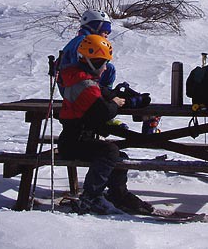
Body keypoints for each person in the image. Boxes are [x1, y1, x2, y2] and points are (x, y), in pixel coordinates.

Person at [58, 34, 154, 215]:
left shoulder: (82, 80)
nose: (104, 70)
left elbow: (106, 93)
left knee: (118, 155)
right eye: (103, 65)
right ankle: (91, 196)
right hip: (74, 143)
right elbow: (102, 112)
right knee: (110, 152)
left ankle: (118, 194)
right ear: (93, 63)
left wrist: (130, 99)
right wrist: (115, 104)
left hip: (77, 140)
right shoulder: (84, 85)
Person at [59, 10, 116, 90]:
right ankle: (104, 95)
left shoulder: (81, 40)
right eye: (105, 32)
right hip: (74, 87)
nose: (106, 36)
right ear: (96, 28)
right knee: (109, 68)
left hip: (71, 84)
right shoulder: (84, 42)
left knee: (107, 67)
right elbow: (81, 67)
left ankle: (104, 93)